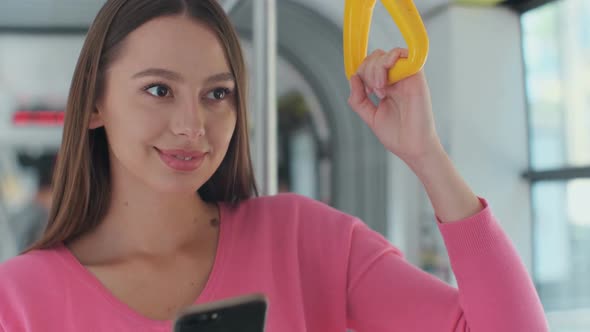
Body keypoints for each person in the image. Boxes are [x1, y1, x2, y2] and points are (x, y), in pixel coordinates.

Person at [0, 0, 548, 331]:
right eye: (160, 90)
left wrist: (426, 155)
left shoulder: (304, 239)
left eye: (218, 95)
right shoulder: (17, 300)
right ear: (94, 103)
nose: (192, 125)